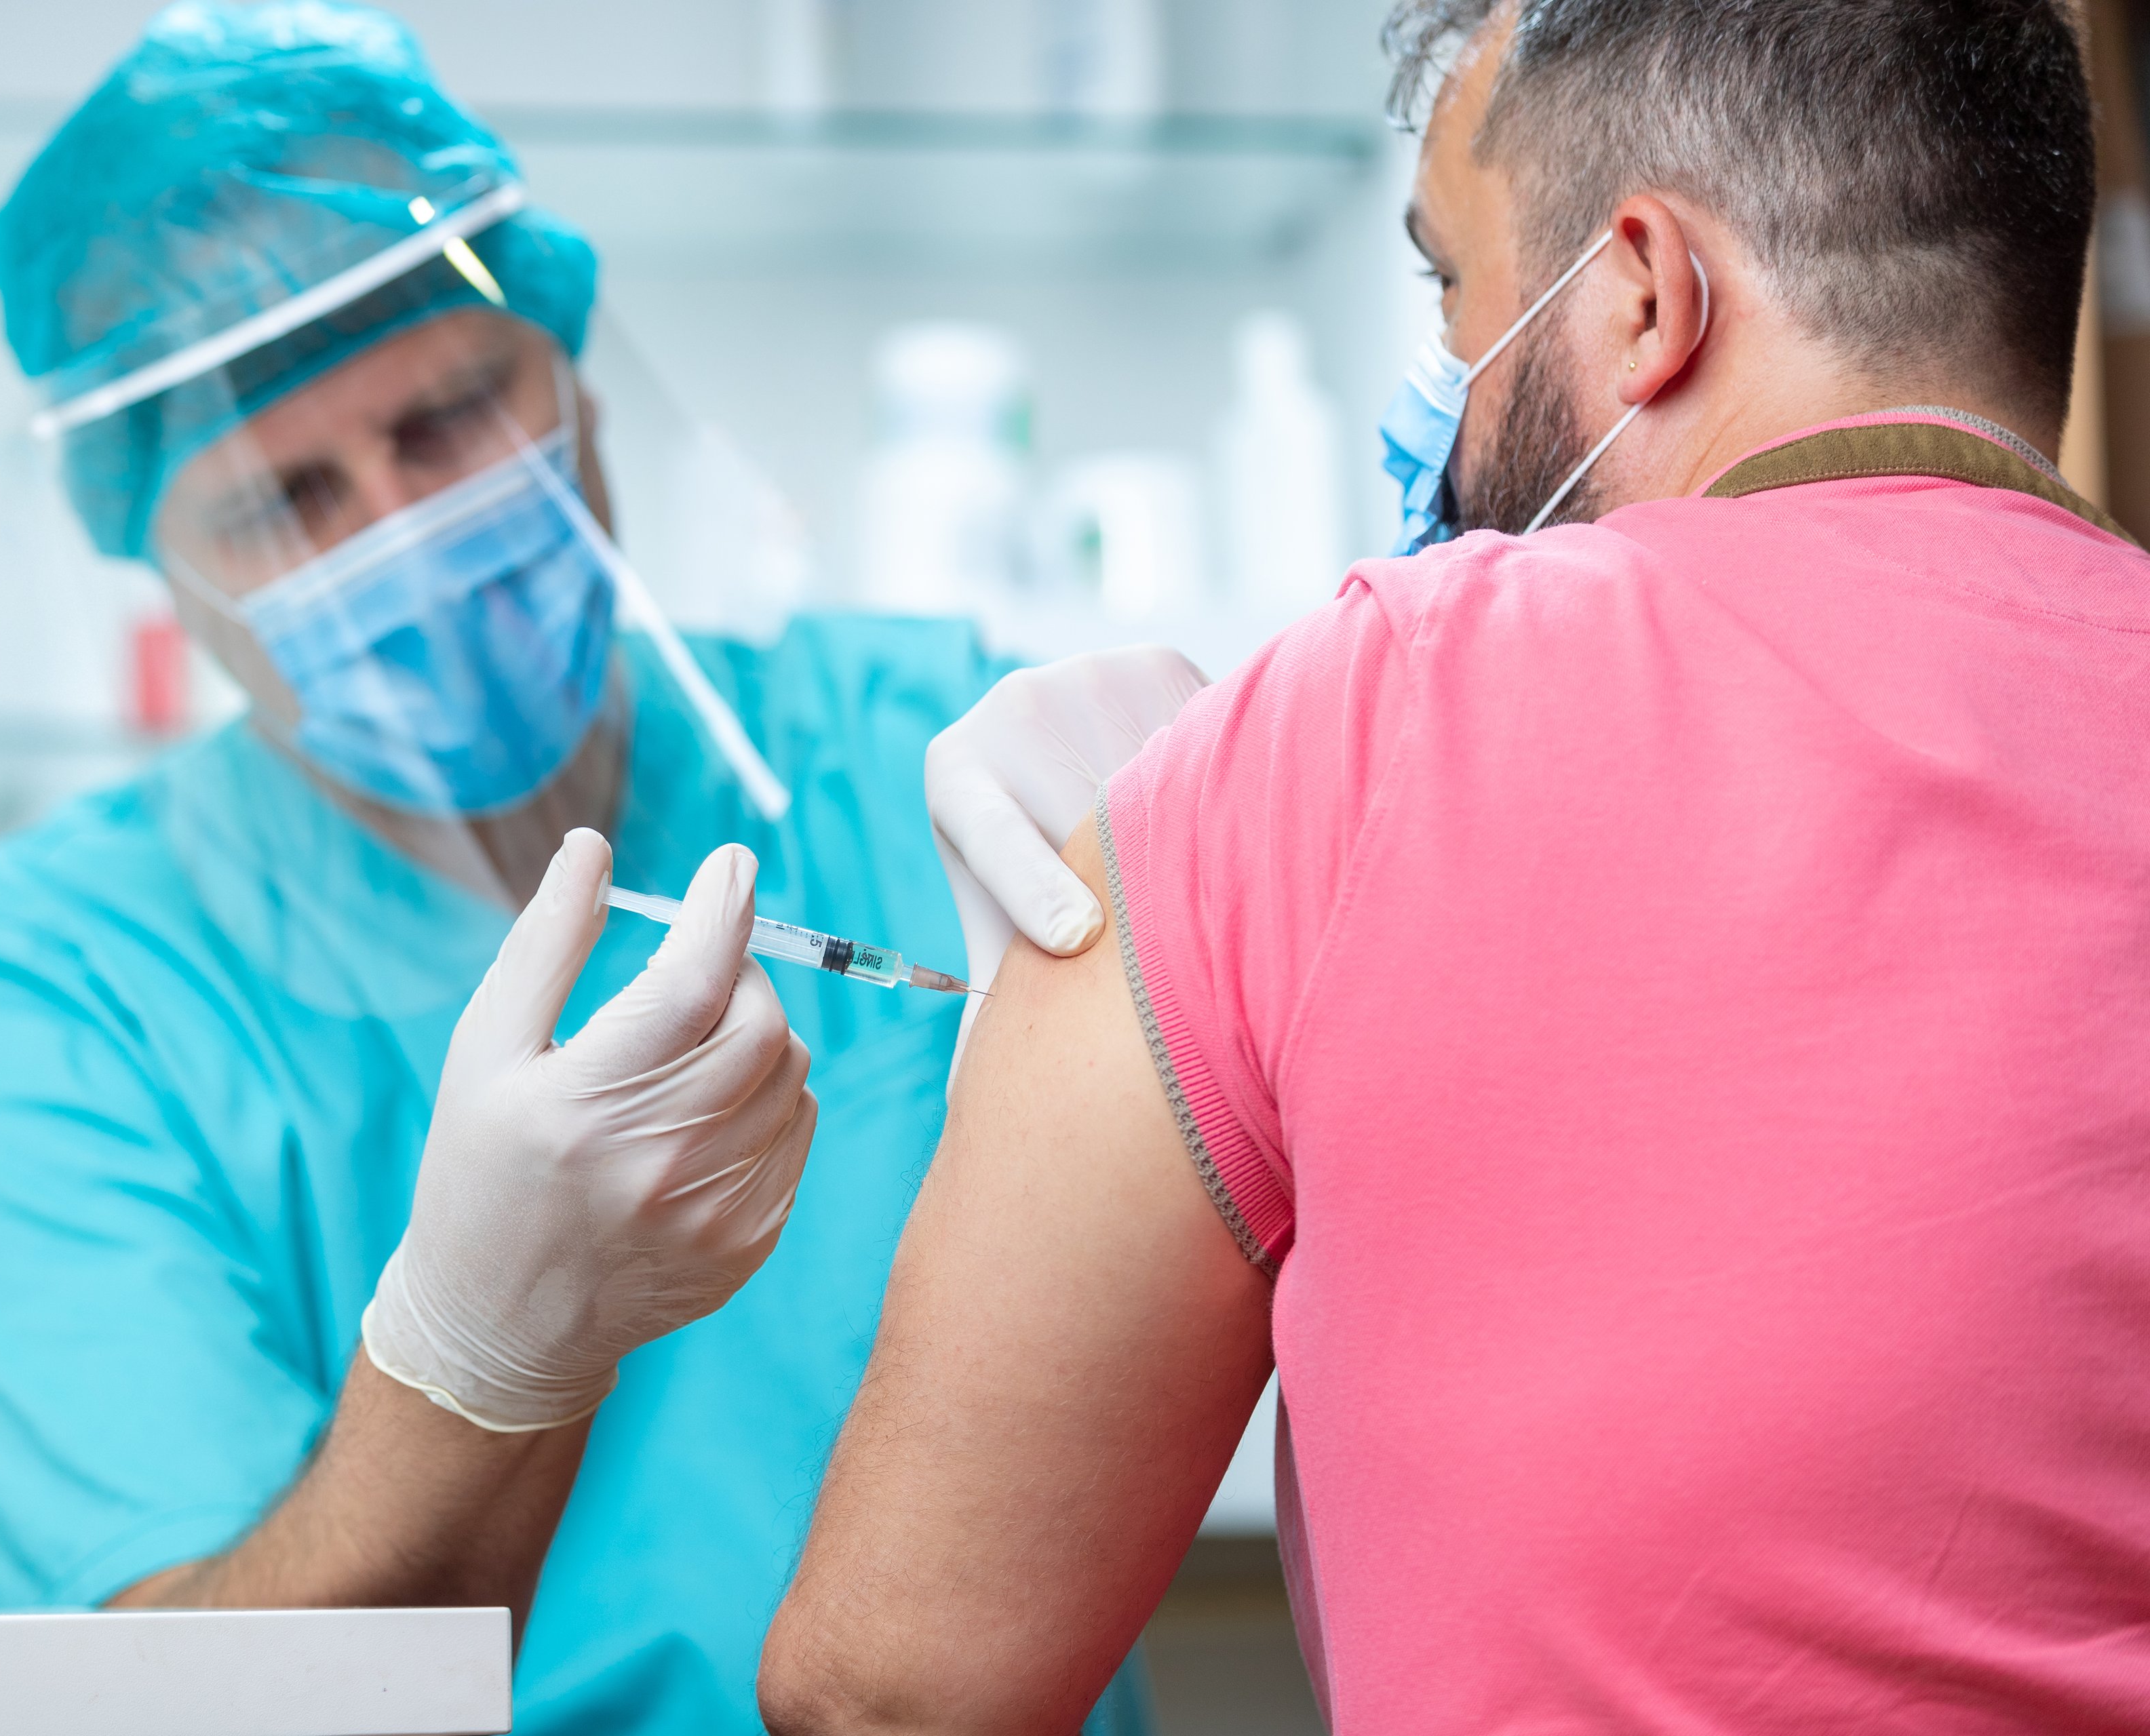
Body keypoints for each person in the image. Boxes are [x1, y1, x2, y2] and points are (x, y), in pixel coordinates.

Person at [764, 1, 2150, 1731]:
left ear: (1645, 293)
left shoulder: (1356, 722)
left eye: (1451, 289)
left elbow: (894, 1690)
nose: (1447, 377)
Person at [0, 4, 1152, 1731]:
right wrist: (476, 1352)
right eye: (284, 497)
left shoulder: (920, 740)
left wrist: (1258, 791)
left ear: (574, 379)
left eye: (455, 415)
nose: (396, 528)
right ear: (158, 558)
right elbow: (162, 1697)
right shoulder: (42, 992)